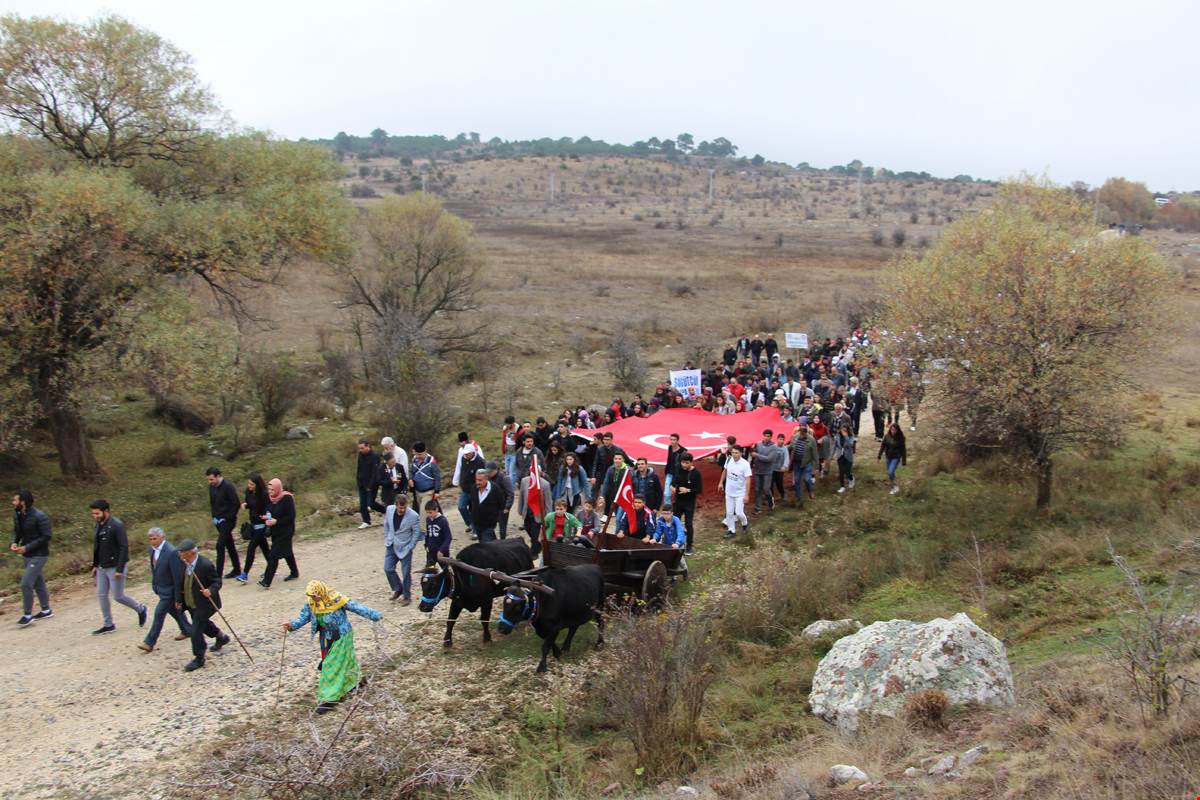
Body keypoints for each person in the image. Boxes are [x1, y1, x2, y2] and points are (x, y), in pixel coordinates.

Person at [282, 581, 382, 714]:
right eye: (311, 596)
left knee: (331, 665)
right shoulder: (312, 603)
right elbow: (304, 617)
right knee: (343, 661)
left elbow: (356, 607)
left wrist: (374, 615)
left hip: (342, 635)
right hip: (325, 637)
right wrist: (292, 625)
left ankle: (330, 698)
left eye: (315, 595)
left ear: (321, 592)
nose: (313, 598)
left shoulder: (336, 599)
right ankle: (353, 683)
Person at [90, 499, 146, 635]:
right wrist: (95, 565)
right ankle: (108, 624)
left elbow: (123, 547)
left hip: (115, 566)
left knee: (118, 596)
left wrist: (120, 569)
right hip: (102, 567)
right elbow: (97, 547)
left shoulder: (116, 525)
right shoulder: (99, 525)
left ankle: (140, 608)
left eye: (97, 513)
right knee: (101, 594)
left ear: (106, 511)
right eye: (93, 514)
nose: (95, 516)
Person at [175, 538, 229, 672]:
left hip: (205, 604)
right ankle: (221, 637)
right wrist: (179, 600)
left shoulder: (205, 564)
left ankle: (199, 657)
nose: (180, 554)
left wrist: (210, 590)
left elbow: (217, 581)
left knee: (196, 630)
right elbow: (181, 584)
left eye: (182, 552)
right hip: (191, 602)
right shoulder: (183, 564)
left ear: (191, 553)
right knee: (202, 624)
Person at [138, 527, 191, 653]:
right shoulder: (152, 550)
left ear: (162, 537)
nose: (152, 541)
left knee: (159, 614)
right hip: (161, 588)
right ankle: (187, 629)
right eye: (150, 539)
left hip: (170, 589)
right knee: (174, 610)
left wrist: (178, 594)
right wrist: (155, 585)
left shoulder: (171, 552)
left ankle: (149, 642)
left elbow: (177, 575)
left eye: (155, 539)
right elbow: (154, 568)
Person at [11, 489, 52, 626]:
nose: (13, 502)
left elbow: (46, 536)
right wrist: (14, 542)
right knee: (38, 582)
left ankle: (27, 615)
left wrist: (27, 547)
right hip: (27, 555)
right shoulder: (18, 515)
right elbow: (17, 532)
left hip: (39, 555)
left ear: (23, 502)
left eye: (15, 500)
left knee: (25, 583)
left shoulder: (40, 516)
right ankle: (46, 610)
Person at [382, 494, 420, 605]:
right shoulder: (389, 509)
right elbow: (386, 524)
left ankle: (407, 596)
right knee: (388, 568)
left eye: (404, 507)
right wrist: (387, 537)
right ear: (396, 505)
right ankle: (398, 589)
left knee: (406, 573)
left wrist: (411, 546)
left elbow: (416, 532)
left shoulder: (413, 515)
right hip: (391, 544)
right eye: (400, 507)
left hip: (405, 548)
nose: (402, 510)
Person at [260, 479, 299, 588]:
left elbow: (291, 517)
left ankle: (266, 581)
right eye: (269, 489)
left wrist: (277, 521)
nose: (270, 492)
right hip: (276, 531)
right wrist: (266, 518)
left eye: (272, 489)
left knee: (273, 555)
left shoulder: (287, 498)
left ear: (278, 488)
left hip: (286, 531)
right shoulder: (271, 499)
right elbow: (269, 512)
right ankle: (294, 572)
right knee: (287, 552)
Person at [205, 467, 242, 579]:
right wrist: (214, 517)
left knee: (220, 545)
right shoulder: (212, 487)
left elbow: (236, 504)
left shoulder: (228, 486)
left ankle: (218, 574)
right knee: (229, 544)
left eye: (211, 479)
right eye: (208, 480)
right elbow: (212, 503)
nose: (210, 482)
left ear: (218, 476)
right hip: (218, 521)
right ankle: (237, 569)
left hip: (228, 521)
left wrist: (227, 517)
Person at [451, 432, 486, 539]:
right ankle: (470, 524)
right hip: (465, 488)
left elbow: (483, 475)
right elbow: (460, 469)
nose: (465, 455)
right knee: (461, 507)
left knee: (474, 510)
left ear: (472, 452)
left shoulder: (480, 462)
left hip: (475, 489)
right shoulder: (463, 458)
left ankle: (476, 530)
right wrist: (458, 481)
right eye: (464, 454)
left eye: (467, 454)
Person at [238, 473, 270, 584]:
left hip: (261, 526)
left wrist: (266, 517)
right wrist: (246, 505)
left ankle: (245, 574)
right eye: (249, 483)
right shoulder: (250, 493)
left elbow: (267, 508)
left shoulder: (264, 495)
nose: (249, 486)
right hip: (254, 524)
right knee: (265, 550)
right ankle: (271, 568)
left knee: (251, 548)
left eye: (252, 484)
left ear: (257, 484)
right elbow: (252, 504)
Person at [518, 463, 554, 558]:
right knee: (527, 527)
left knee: (535, 533)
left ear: (540, 472)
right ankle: (537, 546)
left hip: (537, 513)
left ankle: (534, 552)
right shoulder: (524, 481)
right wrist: (520, 508)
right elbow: (521, 495)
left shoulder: (545, 484)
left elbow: (548, 501)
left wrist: (549, 515)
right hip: (527, 510)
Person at [718, 445, 751, 539]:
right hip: (729, 492)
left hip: (740, 493)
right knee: (729, 512)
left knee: (739, 512)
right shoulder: (728, 460)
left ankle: (745, 523)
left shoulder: (745, 464)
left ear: (741, 453)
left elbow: (748, 479)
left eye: (736, 453)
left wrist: (747, 495)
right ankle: (731, 530)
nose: (734, 455)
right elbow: (725, 471)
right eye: (733, 452)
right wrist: (720, 483)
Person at [672, 453, 702, 554]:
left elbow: (699, 490)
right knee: (675, 522)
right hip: (678, 501)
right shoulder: (678, 470)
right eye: (682, 462)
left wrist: (688, 490)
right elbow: (673, 483)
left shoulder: (696, 474)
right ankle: (674, 542)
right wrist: (673, 487)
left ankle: (689, 545)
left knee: (688, 524)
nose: (684, 465)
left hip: (689, 502)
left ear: (691, 462)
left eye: (686, 463)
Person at [467, 469, 504, 543]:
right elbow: (471, 503)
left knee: (487, 545)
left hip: (489, 525)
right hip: (476, 523)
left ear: (486, 479)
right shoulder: (474, 488)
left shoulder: (495, 489)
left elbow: (501, 504)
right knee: (485, 543)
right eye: (476, 480)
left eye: (480, 480)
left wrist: (495, 518)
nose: (478, 482)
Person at [750, 429, 781, 513]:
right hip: (757, 470)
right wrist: (752, 449)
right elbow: (753, 453)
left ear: (771, 437)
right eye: (765, 436)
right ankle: (758, 508)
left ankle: (771, 502)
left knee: (766, 489)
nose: (766, 437)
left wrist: (756, 455)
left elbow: (769, 459)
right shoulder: (758, 444)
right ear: (762, 436)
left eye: (768, 436)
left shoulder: (774, 447)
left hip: (767, 471)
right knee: (757, 489)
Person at [355, 439, 383, 529]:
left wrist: (370, 485)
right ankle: (366, 521)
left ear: (368, 446)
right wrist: (358, 480)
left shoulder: (375, 456)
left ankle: (386, 510)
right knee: (362, 503)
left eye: (362, 448)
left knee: (371, 503)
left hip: (372, 484)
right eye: (359, 448)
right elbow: (359, 468)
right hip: (362, 483)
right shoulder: (360, 455)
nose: (361, 450)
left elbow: (375, 472)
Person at [484, 461, 515, 540]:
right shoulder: (487, 478)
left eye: (490, 472)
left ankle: (502, 541)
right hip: (491, 506)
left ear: (496, 470)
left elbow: (510, 493)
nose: (488, 474)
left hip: (502, 507)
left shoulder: (504, 478)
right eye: (487, 472)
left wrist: (507, 507)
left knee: (502, 527)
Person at [790, 421, 819, 503]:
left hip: (807, 463)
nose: (801, 435)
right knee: (797, 480)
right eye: (800, 433)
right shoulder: (795, 437)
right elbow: (791, 446)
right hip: (797, 462)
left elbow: (815, 453)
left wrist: (816, 466)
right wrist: (782, 447)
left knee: (807, 479)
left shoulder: (811, 440)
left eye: (803, 434)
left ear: (806, 433)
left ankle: (810, 490)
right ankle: (798, 496)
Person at [408, 443, 442, 511]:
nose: (418, 456)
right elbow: (411, 471)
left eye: (420, 454)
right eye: (416, 454)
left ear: (425, 452)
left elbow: (437, 477)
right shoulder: (414, 460)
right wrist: (410, 479)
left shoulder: (432, 462)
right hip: (417, 492)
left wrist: (437, 491)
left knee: (424, 512)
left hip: (428, 492)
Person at [878, 423, 908, 495]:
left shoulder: (901, 438)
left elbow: (903, 449)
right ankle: (893, 484)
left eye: (894, 430)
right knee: (890, 473)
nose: (893, 431)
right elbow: (882, 446)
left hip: (896, 457)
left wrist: (904, 460)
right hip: (888, 456)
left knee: (890, 472)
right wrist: (879, 456)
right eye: (892, 430)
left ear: (897, 430)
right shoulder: (887, 436)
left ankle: (895, 486)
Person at [423, 501, 452, 568]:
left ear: (436, 510)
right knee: (430, 571)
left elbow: (448, 537)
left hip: (442, 552)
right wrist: (426, 545)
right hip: (431, 551)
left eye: (430, 512)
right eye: (427, 512)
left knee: (444, 571)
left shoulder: (443, 521)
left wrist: (441, 550)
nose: (429, 515)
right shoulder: (428, 519)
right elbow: (428, 533)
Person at [834, 423, 857, 494]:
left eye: (845, 429)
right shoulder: (837, 436)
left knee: (847, 471)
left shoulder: (850, 436)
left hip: (848, 456)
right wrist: (831, 455)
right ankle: (842, 487)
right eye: (842, 429)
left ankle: (851, 478)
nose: (843, 430)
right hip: (840, 455)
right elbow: (835, 446)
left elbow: (850, 445)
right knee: (841, 471)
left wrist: (846, 437)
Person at [500, 415, 519, 480]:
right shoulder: (505, 428)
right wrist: (503, 451)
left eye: (509, 424)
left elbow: (520, 440)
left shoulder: (517, 429)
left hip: (514, 452)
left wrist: (515, 436)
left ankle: (512, 487)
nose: (507, 425)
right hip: (507, 451)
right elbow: (503, 440)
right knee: (507, 470)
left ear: (512, 423)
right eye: (506, 424)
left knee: (512, 471)